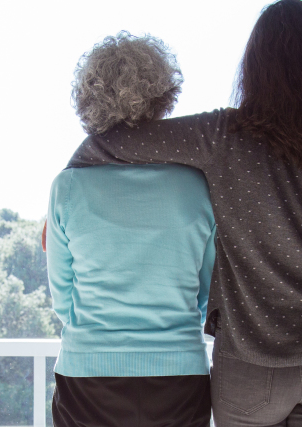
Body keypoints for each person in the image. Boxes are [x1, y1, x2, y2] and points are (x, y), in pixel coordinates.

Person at [66, 1, 302, 426]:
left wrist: (67, 186)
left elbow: (112, 142)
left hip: (249, 374)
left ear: (255, 70)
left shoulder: (222, 137)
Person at [43, 32, 215, 427]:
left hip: (87, 372)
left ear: (89, 100)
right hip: (179, 372)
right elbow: (204, 293)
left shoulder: (67, 187)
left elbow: (64, 299)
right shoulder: (196, 185)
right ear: (161, 96)